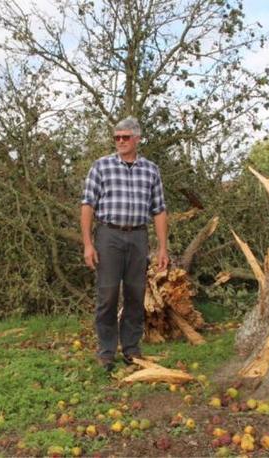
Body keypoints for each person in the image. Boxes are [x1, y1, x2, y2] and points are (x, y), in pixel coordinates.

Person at [80, 116, 169, 373]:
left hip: (139, 237)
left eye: (125, 137)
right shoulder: (101, 166)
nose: (120, 141)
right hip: (109, 236)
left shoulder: (151, 170)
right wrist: (88, 244)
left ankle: (131, 349)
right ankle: (107, 351)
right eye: (116, 137)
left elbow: (159, 210)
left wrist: (162, 247)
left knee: (135, 293)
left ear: (137, 139)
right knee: (107, 294)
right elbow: (87, 205)